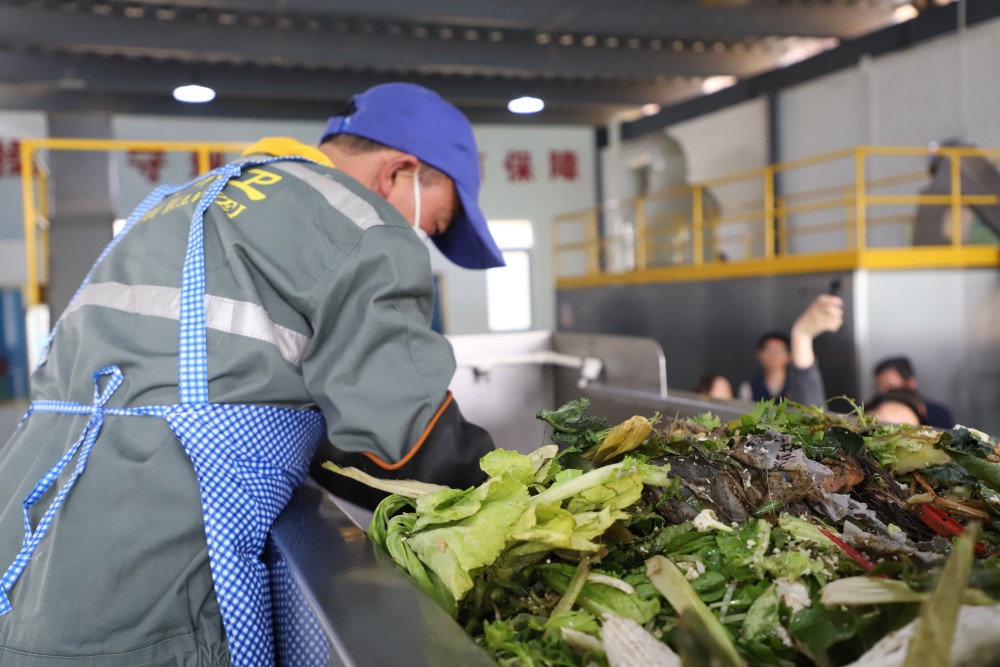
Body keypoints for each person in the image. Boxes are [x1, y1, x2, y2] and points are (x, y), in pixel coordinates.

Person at [0, 83, 503, 666]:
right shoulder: (361, 223)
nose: (422, 239)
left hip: (23, 552)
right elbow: (408, 441)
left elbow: (245, 392)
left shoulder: (183, 202)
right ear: (401, 174)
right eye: (434, 225)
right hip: (144, 595)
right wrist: (517, 494)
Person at [873, 356, 954, 429]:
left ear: (910, 383)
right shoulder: (874, 410)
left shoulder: (938, 414)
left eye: (889, 386)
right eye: (879, 386)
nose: (883, 391)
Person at [737, 332, 791, 401]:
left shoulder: (798, 386)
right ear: (759, 354)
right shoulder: (748, 387)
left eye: (779, 351)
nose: (774, 356)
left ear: (789, 356)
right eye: (769, 350)